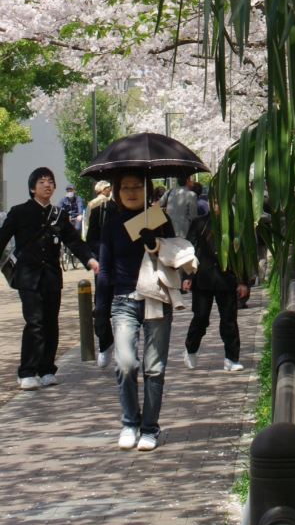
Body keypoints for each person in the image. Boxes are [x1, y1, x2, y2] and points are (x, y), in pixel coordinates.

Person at [97, 171, 177, 451]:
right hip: (123, 301)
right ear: (117, 192)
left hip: (156, 299)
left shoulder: (160, 220)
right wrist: (100, 312)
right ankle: (129, 422)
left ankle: (149, 428)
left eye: (137, 186)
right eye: (125, 187)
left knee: (154, 369)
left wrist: (154, 242)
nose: (131, 191)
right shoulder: (111, 225)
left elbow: (176, 257)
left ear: (147, 190)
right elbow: (105, 270)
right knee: (126, 364)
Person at [0, 167, 98, 390]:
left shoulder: (59, 214)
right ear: (32, 188)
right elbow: (2, 238)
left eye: (50, 181)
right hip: (27, 276)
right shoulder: (19, 212)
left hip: (52, 277)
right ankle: (26, 372)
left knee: (51, 323)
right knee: (34, 322)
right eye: (42, 181)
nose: (47, 185)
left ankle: (46, 370)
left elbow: (73, 241)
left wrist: (90, 260)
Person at [182, 205, 248, 372]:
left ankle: (232, 358)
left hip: (227, 278)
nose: (218, 205)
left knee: (229, 320)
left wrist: (242, 281)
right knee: (201, 317)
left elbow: (242, 253)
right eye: (215, 200)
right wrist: (187, 276)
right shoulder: (199, 223)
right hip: (202, 278)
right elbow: (189, 250)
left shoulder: (234, 224)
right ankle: (191, 348)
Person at [85, 182, 117, 368]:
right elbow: (91, 241)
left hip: (130, 272)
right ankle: (106, 343)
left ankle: (125, 350)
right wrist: (107, 251)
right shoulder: (101, 210)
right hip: (105, 267)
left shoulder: (140, 212)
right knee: (101, 311)